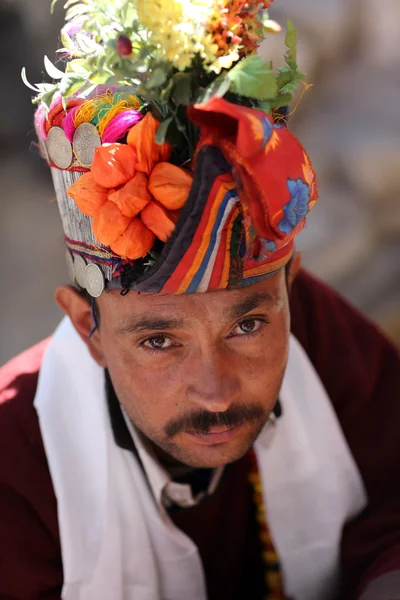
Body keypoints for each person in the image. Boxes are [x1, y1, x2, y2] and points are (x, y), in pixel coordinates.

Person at [1, 1, 400, 599]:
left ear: (290, 287)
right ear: (89, 328)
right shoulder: (15, 463)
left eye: (247, 326)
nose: (216, 390)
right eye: (159, 340)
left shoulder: (313, 330)